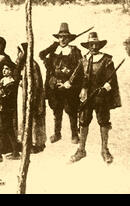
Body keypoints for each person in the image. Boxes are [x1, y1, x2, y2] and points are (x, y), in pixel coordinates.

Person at [70, 32, 121, 164]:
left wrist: (105, 88)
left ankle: (105, 150)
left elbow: (112, 81)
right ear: (88, 46)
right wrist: (67, 84)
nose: (93, 46)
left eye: (95, 44)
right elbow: (75, 75)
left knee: (104, 122)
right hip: (86, 96)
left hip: (101, 97)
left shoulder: (106, 60)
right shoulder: (84, 59)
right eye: (90, 44)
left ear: (99, 45)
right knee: (83, 121)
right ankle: (81, 150)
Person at [39, 22, 83, 144]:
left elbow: (79, 69)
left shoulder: (75, 51)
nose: (63, 39)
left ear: (69, 38)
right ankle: (57, 134)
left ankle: (74, 135)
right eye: (60, 37)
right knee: (57, 110)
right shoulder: (54, 51)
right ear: (57, 38)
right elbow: (41, 55)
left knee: (71, 110)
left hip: (69, 85)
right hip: (55, 85)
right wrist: (53, 46)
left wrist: (70, 82)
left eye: (65, 37)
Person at [15, 43, 46, 153]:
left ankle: (34, 143)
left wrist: (34, 97)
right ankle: (22, 142)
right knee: (21, 118)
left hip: (31, 97)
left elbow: (37, 84)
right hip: (21, 96)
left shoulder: (32, 65)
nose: (18, 54)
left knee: (33, 120)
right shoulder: (20, 65)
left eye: (20, 52)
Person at [0, 65, 20, 165]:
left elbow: (7, 96)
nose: (4, 71)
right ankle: (16, 152)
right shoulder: (2, 80)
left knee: (1, 130)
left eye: (7, 69)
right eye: (3, 69)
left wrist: (0, 95)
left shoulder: (12, 82)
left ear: (11, 71)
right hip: (1, 108)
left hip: (7, 109)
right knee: (9, 130)